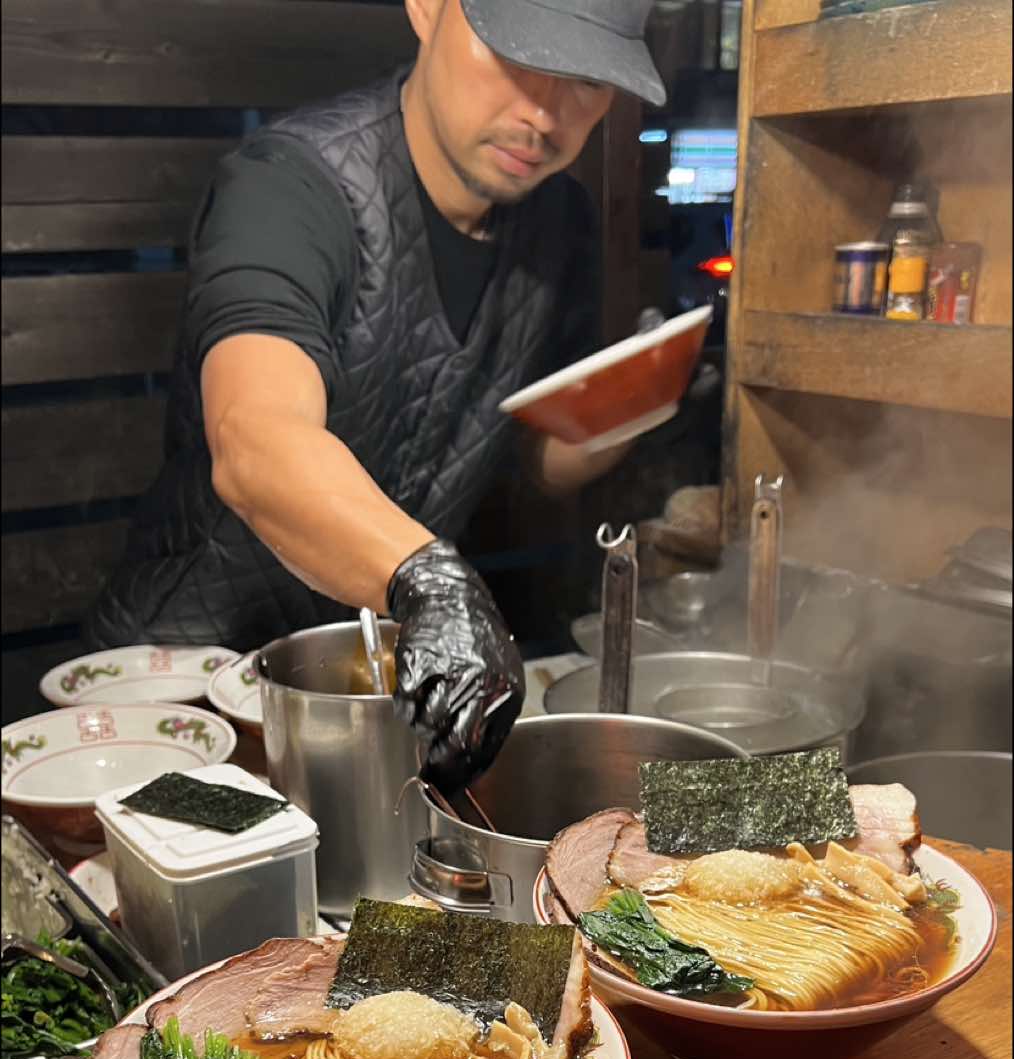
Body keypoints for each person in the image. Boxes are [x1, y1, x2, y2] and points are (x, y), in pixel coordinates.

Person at [87, 0, 666, 790]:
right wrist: (431, 580)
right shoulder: (290, 187)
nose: (542, 113)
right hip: (188, 692)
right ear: (428, 9)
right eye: (516, 59)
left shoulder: (556, 223)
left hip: (374, 689)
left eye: (587, 81)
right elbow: (254, 439)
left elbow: (539, 462)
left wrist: (639, 402)